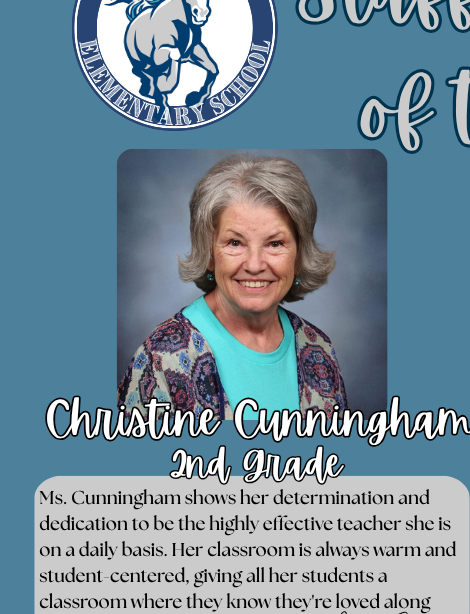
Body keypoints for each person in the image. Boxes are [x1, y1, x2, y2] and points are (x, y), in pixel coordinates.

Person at [119, 155, 346, 419]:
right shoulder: (161, 359)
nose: (254, 264)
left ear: (299, 254)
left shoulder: (318, 348)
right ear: (210, 253)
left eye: (275, 243)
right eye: (235, 243)